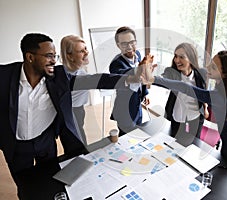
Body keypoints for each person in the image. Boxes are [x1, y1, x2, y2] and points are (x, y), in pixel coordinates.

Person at [0, 33, 144, 197]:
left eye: (54, 56)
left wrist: (131, 78)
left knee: (50, 179)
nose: (54, 60)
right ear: (30, 57)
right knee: (25, 186)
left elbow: (94, 80)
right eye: (48, 56)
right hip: (16, 145)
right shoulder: (4, 77)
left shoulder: (58, 76)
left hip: (45, 141)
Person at [142, 51, 227, 165]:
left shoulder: (219, 96)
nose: (208, 67)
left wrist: (152, 79)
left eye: (213, 66)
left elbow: (185, 87)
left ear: (225, 74)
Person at [162, 43, 208, 139]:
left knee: (193, 145)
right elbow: (162, 80)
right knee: (175, 143)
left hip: (196, 116)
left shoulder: (201, 74)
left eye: (181, 57)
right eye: (175, 56)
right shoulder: (171, 73)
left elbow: (203, 93)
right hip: (177, 115)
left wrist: (205, 107)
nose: (177, 60)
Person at [109, 26, 150, 136]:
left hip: (137, 107)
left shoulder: (138, 55)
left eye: (132, 42)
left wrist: (145, 94)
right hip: (124, 111)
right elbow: (126, 75)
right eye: (124, 44)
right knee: (127, 140)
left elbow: (140, 80)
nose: (129, 47)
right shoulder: (115, 64)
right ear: (118, 45)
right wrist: (140, 69)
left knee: (138, 134)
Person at [60, 35, 90, 145]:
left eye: (85, 48)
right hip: (70, 111)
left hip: (79, 108)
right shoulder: (63, 76)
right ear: (70, 56)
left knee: (80, 133)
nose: (86, 52)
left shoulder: (80, 69)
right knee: (76, 141)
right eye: (81, 51)